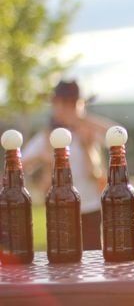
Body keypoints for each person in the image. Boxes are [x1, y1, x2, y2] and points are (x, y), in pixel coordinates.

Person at [22, 80, 117, 250]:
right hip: (60, 206)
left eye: (72, 103)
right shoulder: (47, 137)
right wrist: (42, 158)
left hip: (91, 205)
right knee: (62, 253)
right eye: (62, 103)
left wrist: (81, 120)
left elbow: (117, 134)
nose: (66, 108)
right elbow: (20, 164)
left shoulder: (88, 130)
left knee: (93, 253)